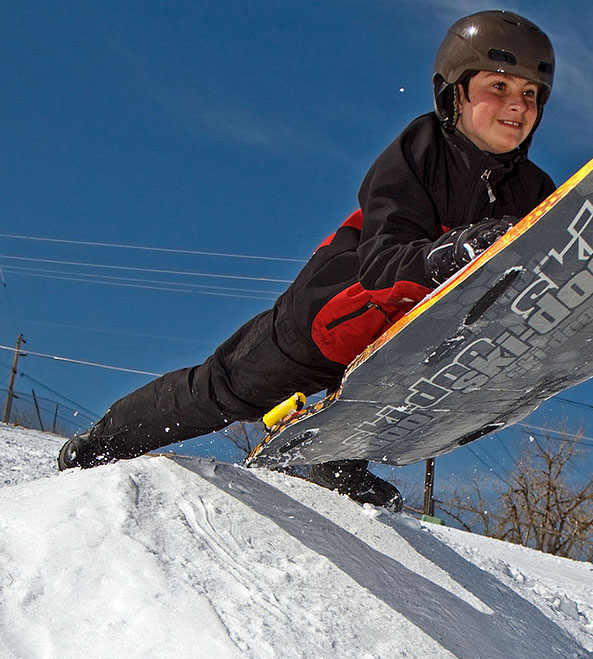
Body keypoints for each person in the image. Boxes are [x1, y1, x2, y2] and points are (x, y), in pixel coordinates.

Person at [57, 10, 557, 510]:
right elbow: (381, 263)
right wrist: (450, 252)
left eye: (530, 94)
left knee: (379, 399)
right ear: (456, 93)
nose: (517, 105)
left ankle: (336, 464)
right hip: (324, 319)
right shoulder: (418, 151)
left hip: (398, 343)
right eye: (499, 86)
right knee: (224, 389)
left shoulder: (534, 192)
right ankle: (105, 441)